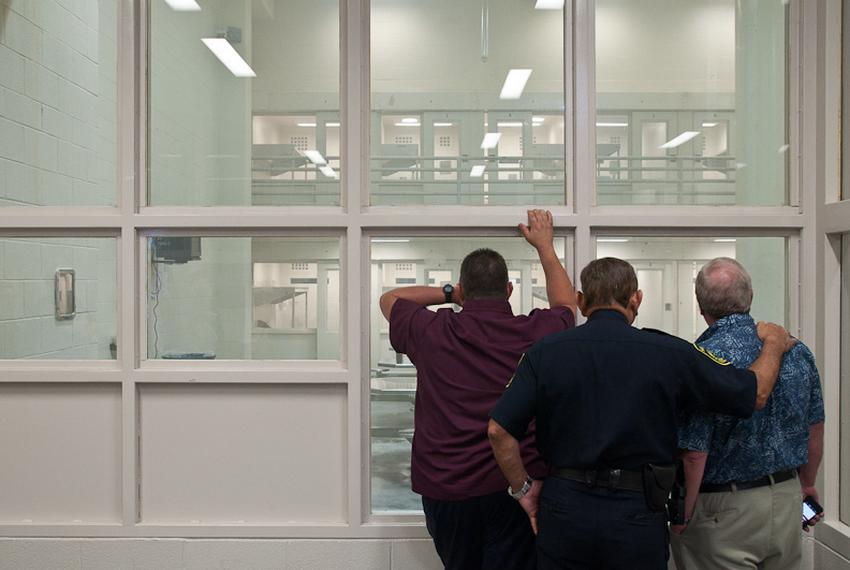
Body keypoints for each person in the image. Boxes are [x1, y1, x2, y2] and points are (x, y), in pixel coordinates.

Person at [487, 257, 795, 570]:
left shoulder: (544, 352)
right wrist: (773, 342)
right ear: (637, 298)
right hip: (636, 513)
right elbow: (755, 392)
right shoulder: (670, 353)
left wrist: (523, 489)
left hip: (566, 508)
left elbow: (499, 431)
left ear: (580, 301)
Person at [379, 210, 577, 570]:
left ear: (463, 289)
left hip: (449, 488)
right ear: (509, 290)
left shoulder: (434, 331)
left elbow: (391, 300)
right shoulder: (535, 332)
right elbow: (567, 307)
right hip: (518, 486)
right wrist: (546, 249)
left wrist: (451, 293)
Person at [670, 257, 825, 570]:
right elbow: (815, 425)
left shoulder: (703, 359)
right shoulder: (795, 349)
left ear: (700, 305)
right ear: (750, 296)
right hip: (786, 497)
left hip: (722, 509)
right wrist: (806, 485)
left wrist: (683, 513)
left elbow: (694, 453)